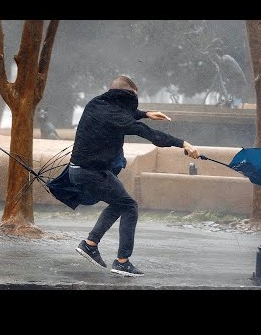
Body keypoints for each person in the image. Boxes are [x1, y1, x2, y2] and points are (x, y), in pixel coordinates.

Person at [70, 75, 199, 277]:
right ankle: (122, 262)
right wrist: (183, 143)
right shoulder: (115, 116)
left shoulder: (96, 104)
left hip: (85, 169)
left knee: (120, 203)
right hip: (90, 173)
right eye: (133, 98)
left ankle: (90, 244)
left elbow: (122, 114)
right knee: (129, 207)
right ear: (126, 96)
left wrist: (146, 113)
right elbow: (149, 134)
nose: (133, 104)